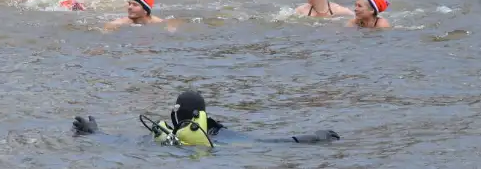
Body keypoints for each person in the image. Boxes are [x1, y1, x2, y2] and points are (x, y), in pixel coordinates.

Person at [73, 90, 341, 146]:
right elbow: (267, 142)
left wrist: (94, 133)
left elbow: (124, 143)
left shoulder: (214, 134)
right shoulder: (217, 133)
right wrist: (313, 138)